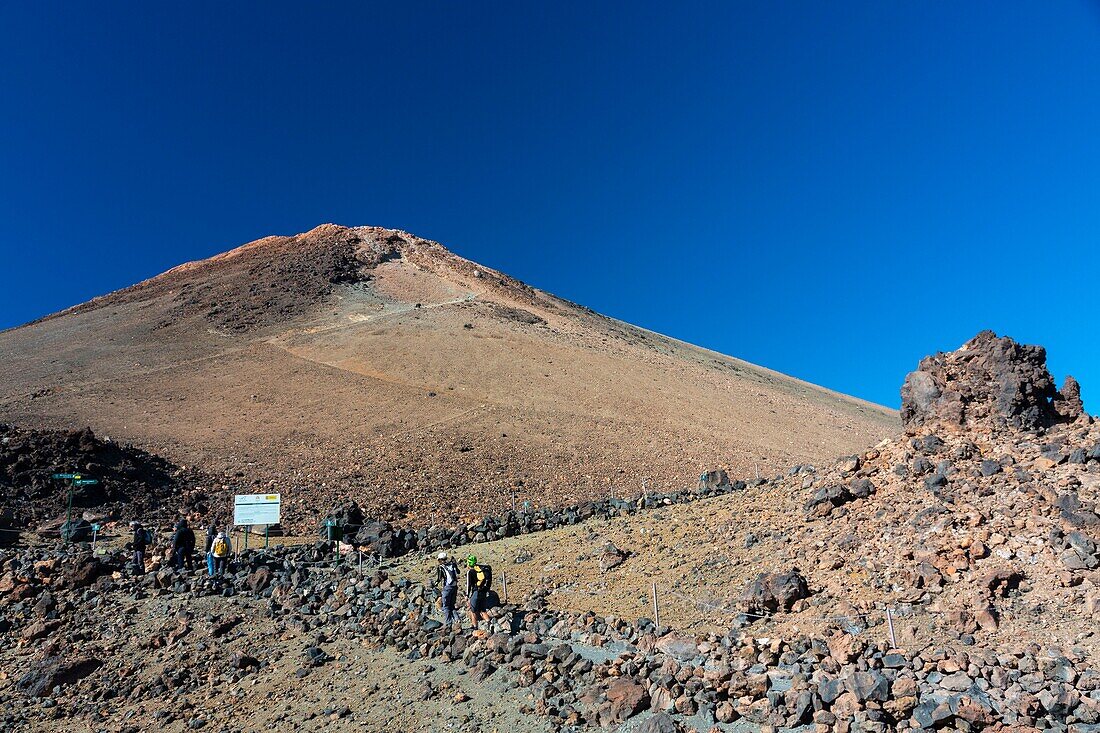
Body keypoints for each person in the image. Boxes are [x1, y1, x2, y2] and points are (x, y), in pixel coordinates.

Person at [465, 554, 492, 628]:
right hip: (483, 592)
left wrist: (467, 595)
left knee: (473, 611)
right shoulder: (483, 568)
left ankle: (475, 628)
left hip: (476, 592)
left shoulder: (470, 572)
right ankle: (489, 623)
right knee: (483, 610)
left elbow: (469, 585)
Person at [435, 552, 460, 626]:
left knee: (446, 606)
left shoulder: (441, 567)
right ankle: (457, 619)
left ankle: (448, 624)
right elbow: (458, 572)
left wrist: (435, 584)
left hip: (447, 588)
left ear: (440, 560)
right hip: (455, 587)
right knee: (452, 605)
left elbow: (439, 578)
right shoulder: (452, 564)